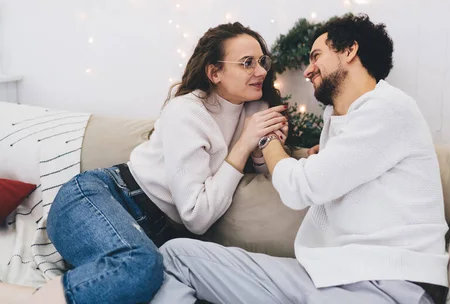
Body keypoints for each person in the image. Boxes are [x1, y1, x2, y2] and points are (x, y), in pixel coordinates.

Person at [150, 14, 449, 304]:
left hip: (388, 284)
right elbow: (325, 175)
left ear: (349, 50)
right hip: (328, 276)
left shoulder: (388, 108)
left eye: (317, 56)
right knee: (177, 257)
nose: (307, 70)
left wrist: (264, 138)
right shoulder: (341, 118)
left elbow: (300, 188)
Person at [0, 22, 289, 304]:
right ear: (214, 72)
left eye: (262, 61)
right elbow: (196, 217)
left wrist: (259, 149)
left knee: (150, 281)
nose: (261, 71)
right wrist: (243, 144)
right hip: (95, 198)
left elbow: (260, 173)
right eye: (247, 63)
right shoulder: (187, 112)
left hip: (146, 232)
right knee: (139, 266)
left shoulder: (256, 107)